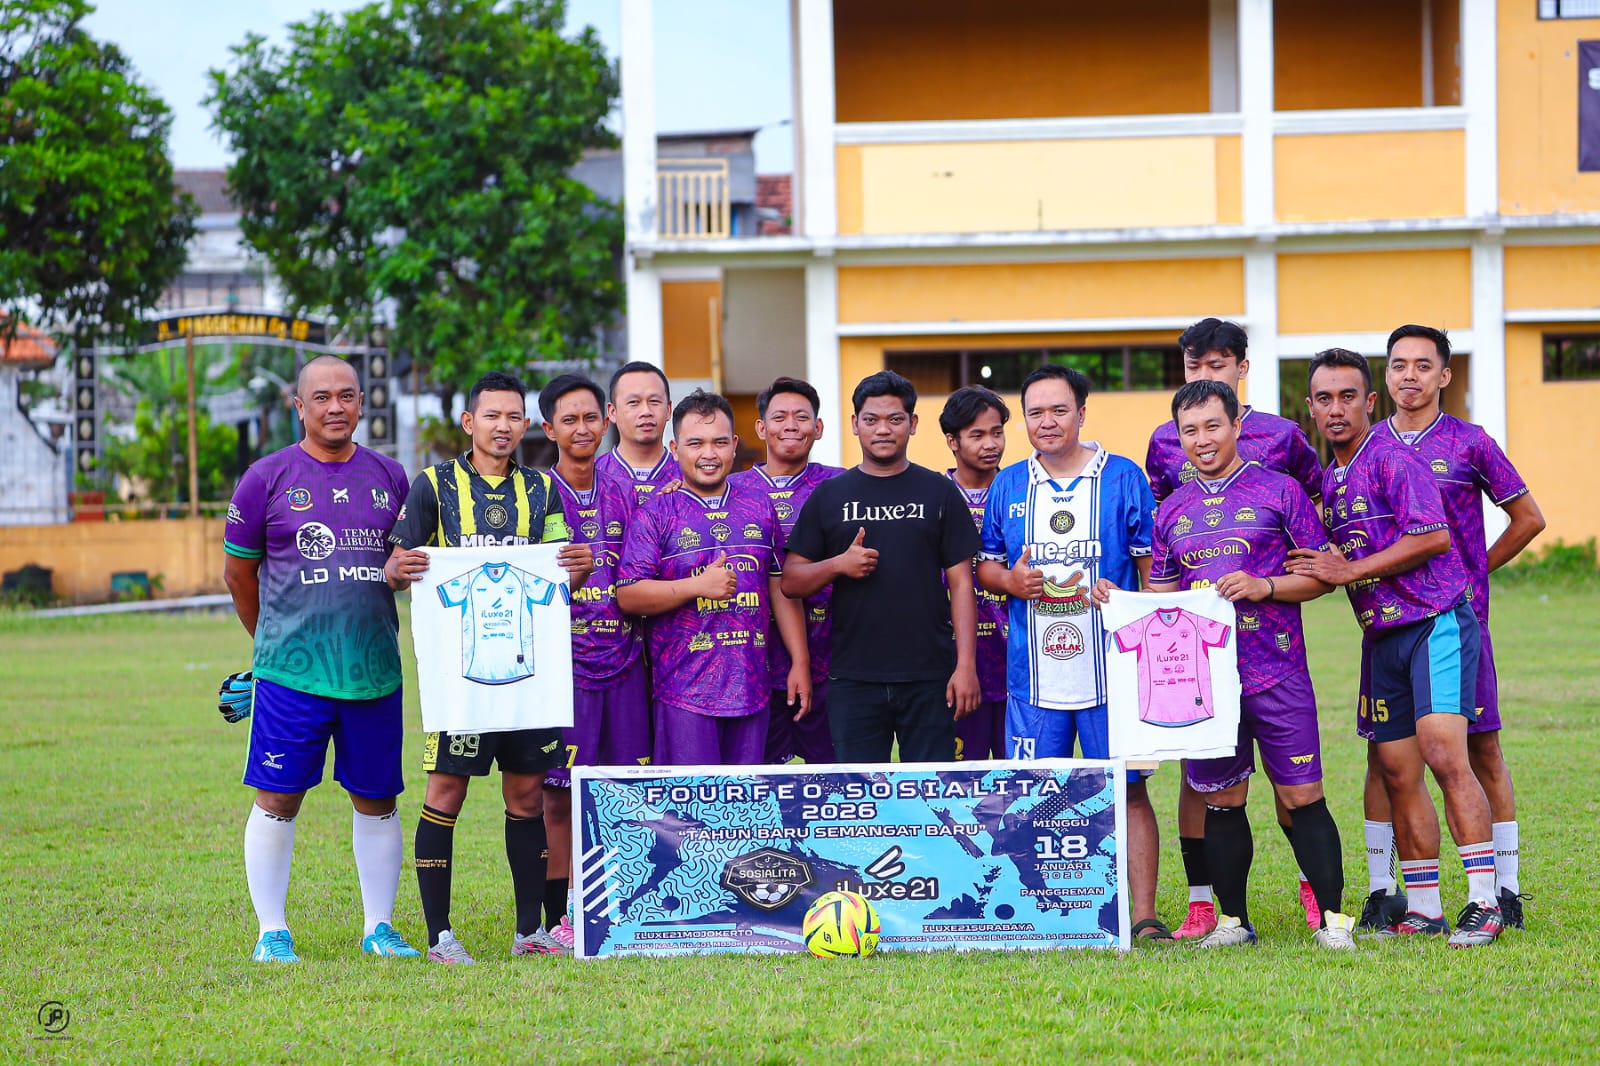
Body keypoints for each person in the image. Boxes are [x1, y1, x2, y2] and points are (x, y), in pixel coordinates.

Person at [1287, 348, 1503, 947]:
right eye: (1324, 399)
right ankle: (1425, 908)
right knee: (1397, 771)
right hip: (1379, 636)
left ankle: (1485, 902)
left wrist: (1349, 570)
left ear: (1369, 401)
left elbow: (1433, 538)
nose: (1336, 409)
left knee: (1445, 755)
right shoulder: (1328, 480)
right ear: (1310, 409)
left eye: (1348, 396)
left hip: (1434, 622)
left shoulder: (1392, 458)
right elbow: (1323, 562)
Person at [384, 372, 595, 963]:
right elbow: (397, 564)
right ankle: (439, 936)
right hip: (462, 681)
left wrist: (576, 568)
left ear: (525, 425)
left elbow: (561, 576)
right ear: (469, 422)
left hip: (529, 678)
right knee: (446, 791)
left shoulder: (542, 490)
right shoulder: (434, 486)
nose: (503, 426)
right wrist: (397, 570)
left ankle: (529, 932)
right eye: (492, 416)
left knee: (526, 796)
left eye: (513, 416)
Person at [222, 354, 419, 963]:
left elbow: (407, 565)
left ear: (361, 402)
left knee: (378, 798)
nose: (336, 407)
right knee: (278, 797)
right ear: (299, 406)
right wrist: (271, 644)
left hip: (373, 669)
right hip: (292, 674)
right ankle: (271, 932)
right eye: (323, 397)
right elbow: (238, 574)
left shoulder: (391, 476)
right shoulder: (265, 477)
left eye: (347, 396)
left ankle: (379, 928)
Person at [1144, 381, 1352, 949]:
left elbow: (1322, 578)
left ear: (1236, 426)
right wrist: (1119, 601)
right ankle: (1234, 922)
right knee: (1222, 799)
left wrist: (1266, 586)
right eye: (1190, 430)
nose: (1202, 440)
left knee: (1303, 796)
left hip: (1278, 671)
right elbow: (1162, 599)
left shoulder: (1281, 491)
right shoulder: (1171, 511)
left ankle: (1334, 922)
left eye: (1213, 426)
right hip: (1204, 683)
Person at [1354, 325, 1545, 931]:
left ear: (1444, 375)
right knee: (1385, 757)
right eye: (1398, 364)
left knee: (1478, 747)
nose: (1409, 375)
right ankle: (1387, 892)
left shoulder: (1469, 442)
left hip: (1454, 621)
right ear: (1385, 375)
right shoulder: (1366, 444)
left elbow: (1528, 518)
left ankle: (1503, 891)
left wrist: (1473, 570)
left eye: (1422, 364)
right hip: (1388, 625)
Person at [975, 365, 1167, 939]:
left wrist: (1128, 601)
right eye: (1035, 412)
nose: (1048, 422)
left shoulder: (1123, 477)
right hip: (1034, 678)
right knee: (1033, 795)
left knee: (1128, 790)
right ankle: (1042, 916)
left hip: (1113, 675)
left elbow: (1153, 572)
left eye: (1059, 410)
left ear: (1081, 412)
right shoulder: (1009, 485)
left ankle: (1143, 916)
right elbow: (986, 566)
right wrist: (1011, 582)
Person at [783, 371, 982, 762]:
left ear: (913, 423)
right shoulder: (830, 496)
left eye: (895, 419)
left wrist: (966, 666)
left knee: (930, 791)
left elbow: (961, 584)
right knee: (858, 793)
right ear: (855, 424)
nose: (883, 429)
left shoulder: (938, 492)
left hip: (930, 676)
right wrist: (838, 565)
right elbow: (791, 581)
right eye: (871, 419)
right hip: (853, 678)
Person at [617, 390, 811, 764]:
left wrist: (799, 662)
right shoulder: (656, 513)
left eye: (719, 442)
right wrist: (697, 586)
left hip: (752, 688)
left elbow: (779, 586)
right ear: (675, 449)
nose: (709, 453)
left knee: (746, 799)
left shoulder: (759, 505)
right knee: (693, 799)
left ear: (735, 446)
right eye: (696, 443)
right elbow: (628, 595)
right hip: (683, 693)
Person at [534, 373, 652, 944]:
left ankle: (626, 905)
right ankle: (558, 917)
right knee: (558, 797)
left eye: (589, 418)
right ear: (548, 428)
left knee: (625, 792)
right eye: (568, 420)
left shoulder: (626, 490)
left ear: (606, 420)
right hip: (563, 670)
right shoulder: (535, 494)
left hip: (626, 662)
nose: (581, 429)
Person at [727, 376, 845, 763]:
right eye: (779, 417)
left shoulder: (842, 485)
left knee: (834, 782)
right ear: (761, 428)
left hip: (831, 660)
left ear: (819, 427)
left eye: (801, 417)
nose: (790, 425)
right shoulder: (730, 488)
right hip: (750, 665)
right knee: (758, 784)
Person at [939, 385, 1011, 760]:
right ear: (952, 441)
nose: (991, 444)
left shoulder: (1022, 491)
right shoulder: (933, 496)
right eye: (977, 435)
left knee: (1022, 783)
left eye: (997, 432)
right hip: (952, 671)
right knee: (961, 785)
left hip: (1019, 668)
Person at [599, 361, 676, 513]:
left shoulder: (689, 476)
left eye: (654, 401)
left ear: (668, 409)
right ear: (612, 412)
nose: (646, 411)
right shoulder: (593, 476)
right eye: (633, 402)